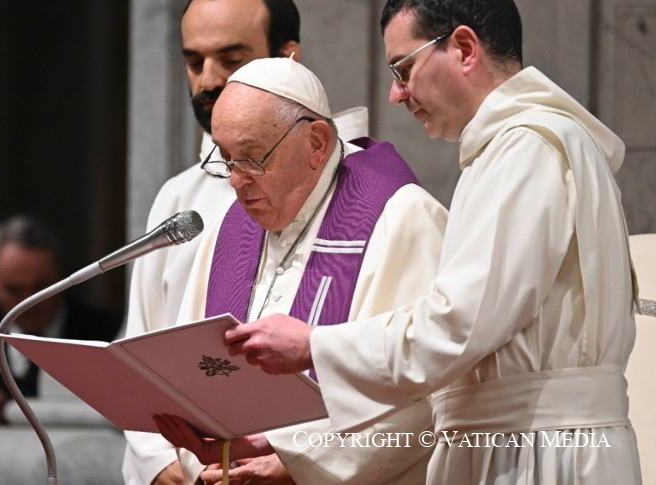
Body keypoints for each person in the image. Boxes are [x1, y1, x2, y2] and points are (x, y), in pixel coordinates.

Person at [160, 0, 643, 484]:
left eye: (403, 68)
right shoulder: (516, 148)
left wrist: (314, 347)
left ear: (464, 48)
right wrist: (292, 449)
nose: (396, 94)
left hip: (541, 454)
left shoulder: (525, 148)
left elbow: (457, 328)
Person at [122, 0, 368, 485]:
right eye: (195, 62)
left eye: (231, 60)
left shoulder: (357, 196)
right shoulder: (178, 199)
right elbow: (142, 345)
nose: (208, 80)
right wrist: (161, 464)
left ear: (287, 59)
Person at [157, 55, 446, 484]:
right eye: (227, 158)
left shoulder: (401, 217)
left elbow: (428, 391)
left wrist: (300, 464)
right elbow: (192, 369)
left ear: (316, 142)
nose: (236, 180)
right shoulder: (228, 229)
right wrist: (210, 458)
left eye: (252, 157)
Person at [0, 215, 122, 451]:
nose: (29, 302)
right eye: (14, 290)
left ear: (61, 278)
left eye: (41, 288)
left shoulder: (108, 334)